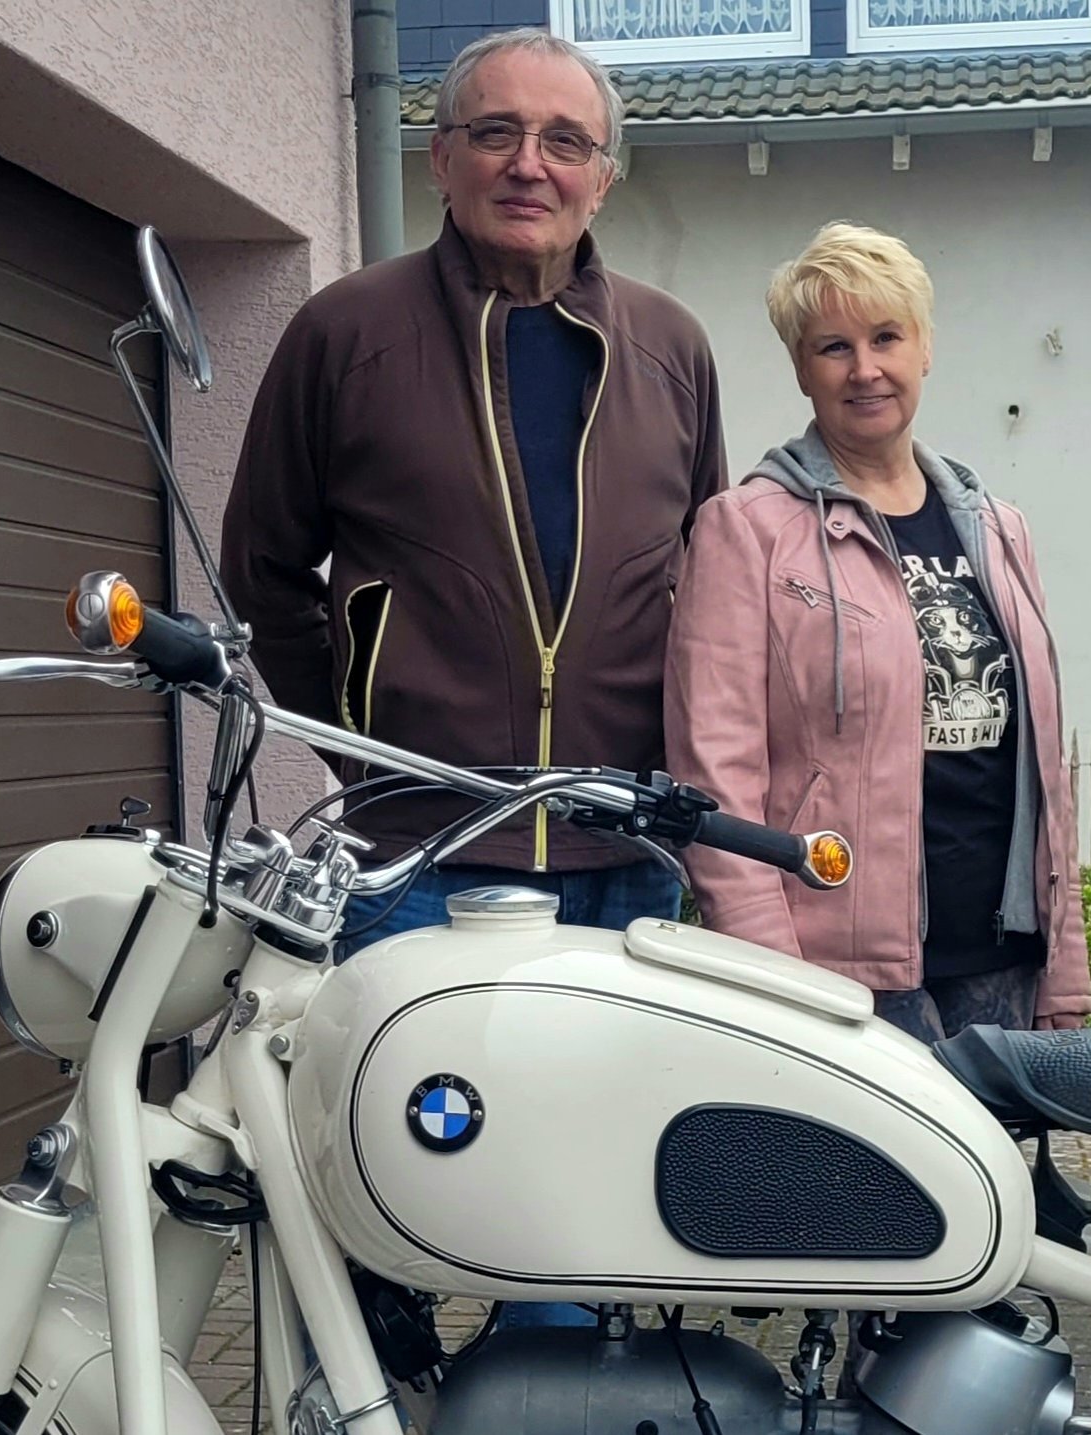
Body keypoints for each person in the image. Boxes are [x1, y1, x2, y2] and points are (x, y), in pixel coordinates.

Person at [219, 30, 725, 1330]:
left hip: (618, 861)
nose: (528, 164)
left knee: (564, 1225)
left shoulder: (671, 349)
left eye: (564, 140)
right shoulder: (345, 332)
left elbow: (712, 585)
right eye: (494, 132)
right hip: (413, 861)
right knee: (379, 1201)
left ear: (604, 174)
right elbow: (264, 564)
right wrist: (363, 743)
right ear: (438, 156)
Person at [665, 222, 1091, 1043]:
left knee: (992, 1171)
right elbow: (717, 773)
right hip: (840, 967)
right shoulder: (746, 530)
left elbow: (1046, 767)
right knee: (875, 1178)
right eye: (833, 346)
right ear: (801, 367)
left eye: (886, 337)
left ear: (925, 347)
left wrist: (1063, 965)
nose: (866, 369)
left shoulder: (1000, 530)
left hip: (1000, 950)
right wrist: (769, 970)